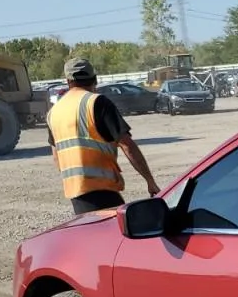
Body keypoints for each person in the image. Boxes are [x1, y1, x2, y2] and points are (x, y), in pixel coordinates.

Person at [46, 56, 159, 214]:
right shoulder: (97, 102)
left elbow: (57, 158)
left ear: (67, 80)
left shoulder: (54, 112)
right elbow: (127, 145)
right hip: (103, 191)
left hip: (76, 194)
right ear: (95, 79)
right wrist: (150, 181)